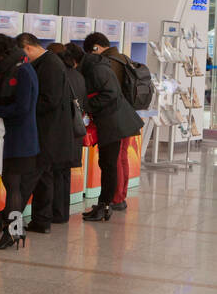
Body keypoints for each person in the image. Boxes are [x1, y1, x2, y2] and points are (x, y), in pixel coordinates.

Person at [0, 33, 39, 250]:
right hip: (19, 137)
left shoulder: (23, 71)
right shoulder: (21, 66)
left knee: (13, 187)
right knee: (12, 186)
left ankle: (13, 233)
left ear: (2, 54)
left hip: (21, 138)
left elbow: (22, 108)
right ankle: (15, 231)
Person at [15, 33, 75, 233]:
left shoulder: (49, 65)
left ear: (28, 48)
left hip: (48, 131)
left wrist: (25, 108)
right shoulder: (49, 62)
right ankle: (41, 220)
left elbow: (50, 100)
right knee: (44, 178)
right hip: (48, 131)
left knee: (30, 176)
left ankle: (9, 220)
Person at [79, 39, 145, 222]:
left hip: (114, 120)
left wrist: (87, 105)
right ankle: (117, 198)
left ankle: (111, 201)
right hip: (122, 118)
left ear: (94, 48)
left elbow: (109, 93)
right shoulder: (118, 59)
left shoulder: (105, 65)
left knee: (111, 163)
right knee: (118, 160)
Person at [49, 43, 89, 223]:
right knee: (64, 175)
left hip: (59, 132)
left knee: (55, 174)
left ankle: (54, 213)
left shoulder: (58, 76)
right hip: (74, 133)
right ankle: (62, 213)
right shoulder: (78, 76)